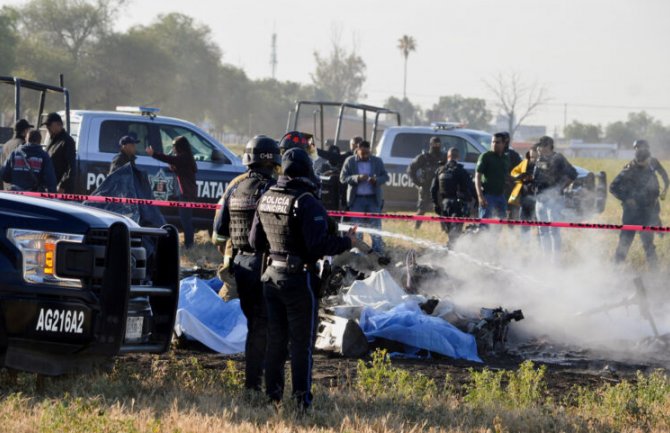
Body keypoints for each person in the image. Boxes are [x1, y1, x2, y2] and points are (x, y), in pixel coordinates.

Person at [249, 147, 355, 410]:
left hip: (271, 277)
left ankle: (272, 397)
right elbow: (318, 246)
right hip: (297, 280)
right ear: (307, 169)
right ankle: (301, 402)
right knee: (301, 346)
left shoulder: (266, 196)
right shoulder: (307, 201)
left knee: (275, 342)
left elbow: (254, 241)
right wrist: (347, 242)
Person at [215, 135, 281, 391]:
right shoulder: (275, 189)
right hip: (268, 264)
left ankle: (253, 382)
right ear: (274, 161)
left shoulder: (234, 188)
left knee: (254, 325)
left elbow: (219, 233)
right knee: (269, 327)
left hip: (241, 265)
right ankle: (259, 385)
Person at [610, 146, 661, 269]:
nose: (646, 162)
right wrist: (626, 198)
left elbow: (655, 192)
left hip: (647, 215)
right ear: (639, 159)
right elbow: (613, 187)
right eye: (644, 160)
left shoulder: (650, 171)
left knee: (649, 245)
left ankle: (655, 274)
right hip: (631, 215)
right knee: (624, 244)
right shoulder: (628, 171)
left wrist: (656, 216)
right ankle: (614, 272)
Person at [146, 136, 198, 249]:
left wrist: (153, 154)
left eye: (174, 145)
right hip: (186, 193)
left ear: (180, 146)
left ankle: (189, 245)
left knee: (186, 221)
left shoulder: (184, 157)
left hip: (187, 194)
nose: (173, 147)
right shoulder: (185, 157)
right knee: (185, 220)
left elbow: (170, 159)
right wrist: (174, 168)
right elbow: (182, 169)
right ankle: (189, 244)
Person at [340, 140, 389, 253]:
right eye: (363, 154)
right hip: (356, 200)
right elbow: (342, 178)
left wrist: (376, 180)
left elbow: (385, 177)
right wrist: (357, 178)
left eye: (367, 153)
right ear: (357, 150)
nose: (365, 156)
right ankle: (357, 252)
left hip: (373, 200)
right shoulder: (350, 161)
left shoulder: (377, 161)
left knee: (375, 228)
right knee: (357, 229)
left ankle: (377, 253)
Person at [532, 136, 578, 258]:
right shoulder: (540, 159)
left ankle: (555, 261)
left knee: (554, 231)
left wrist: (559, 189)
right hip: (540, 200)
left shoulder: (558, 158)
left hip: (554, 201)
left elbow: (573, 173)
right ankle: (545, 259)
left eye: (541, 145)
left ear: (548, 146)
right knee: (542, 231)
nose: (538, 147)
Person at [430, 147, 474, 247]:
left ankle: (452, 251)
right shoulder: (461, 171)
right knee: (455, 234)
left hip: (444, 205)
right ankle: (453, 253)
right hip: (458, 206)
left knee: (451, 233)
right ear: (458, 157)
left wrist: (436, 204)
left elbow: (433, 189)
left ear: (447, 156)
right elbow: (470, 188)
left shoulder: (440, 170)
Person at [408, 136, 445, 229]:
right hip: (426, 186)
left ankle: (444, 229)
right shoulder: (424, 157)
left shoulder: (443, 157)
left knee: (441, 209)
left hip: (439, 187)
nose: (436, 146)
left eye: (438, 144)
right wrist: (418, 183)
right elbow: (410, 169)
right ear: (430, 145)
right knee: (422, 210)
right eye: (434, 144)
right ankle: (416, 228)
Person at [475, 132, 510, 222]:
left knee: (500, 223)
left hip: (500, 196)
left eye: (497, 142)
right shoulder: (485, 156)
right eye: (493, 142)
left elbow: (506, 176)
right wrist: (480, 196)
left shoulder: (505, 158)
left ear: (504, 144)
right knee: (484, 224)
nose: (494, 144)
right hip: (487, 196)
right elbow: (477, 177)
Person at [509, 146, 539, 239]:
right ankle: (525, 246)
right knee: (524, 225)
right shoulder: (525, 162)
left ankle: (539, 245)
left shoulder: (542, 165)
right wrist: (520, 176)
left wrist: (534, 179)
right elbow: (513, 172)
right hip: (524, 199)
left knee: (539, 225)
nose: (532, 159)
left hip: (537, 200)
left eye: (535, 157)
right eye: (531, 156)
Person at [44, 112, 77, 194]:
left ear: (59, 124)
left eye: (49, 125)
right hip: (50, 187)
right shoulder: (52, 140)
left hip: (61, 189)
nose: (47, 127)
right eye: (46, 125)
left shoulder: (67, 141)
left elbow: (71, 167)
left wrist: (62, 185)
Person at [1, 119, 34, 189]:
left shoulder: (6, 144)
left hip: (6, 187)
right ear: (25, 131)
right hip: (19, 188)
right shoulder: (23, 145)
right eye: (28, 130)